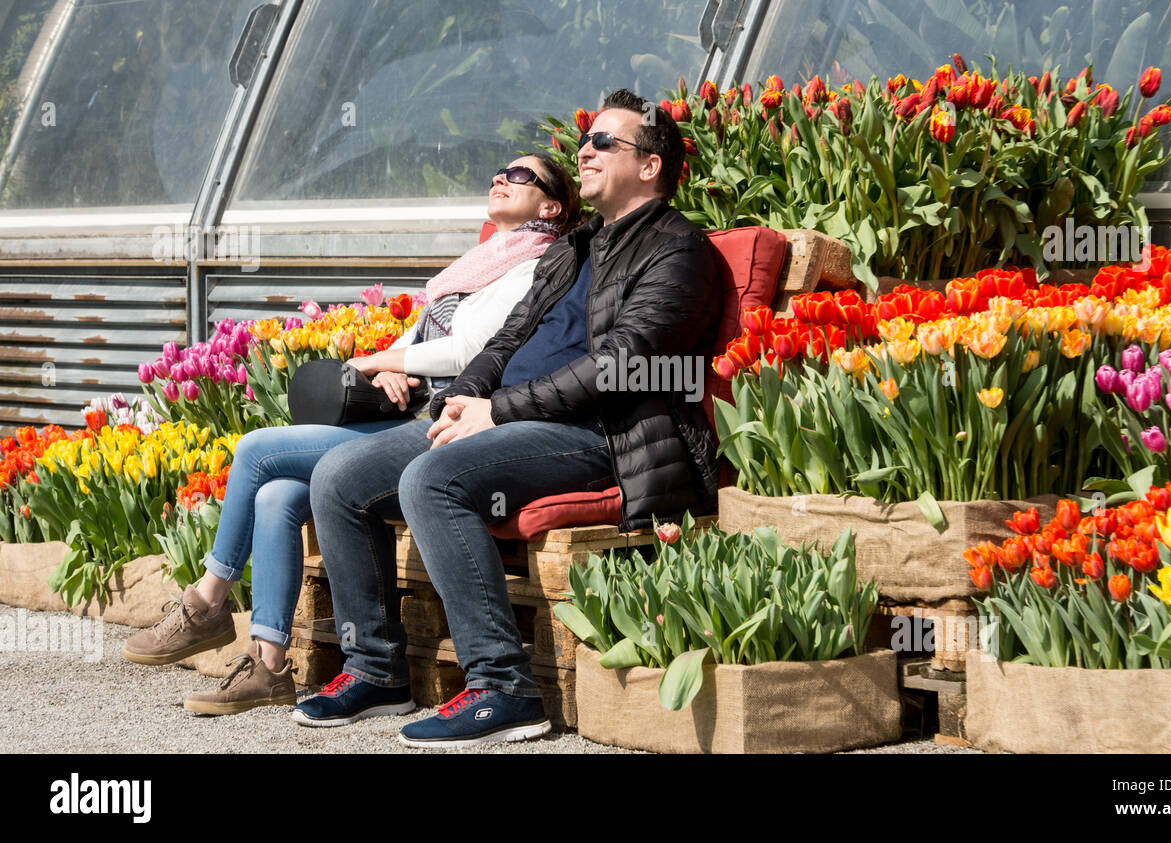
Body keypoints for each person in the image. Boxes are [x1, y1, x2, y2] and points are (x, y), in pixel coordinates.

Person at [296, 89, 722, 746]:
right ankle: (375, 668)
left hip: (598, 434)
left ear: (650, 165)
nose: (584, 149)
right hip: (500, 422)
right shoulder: (574, 247)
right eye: (585, 140)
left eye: (603, 142)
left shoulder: (678, 250)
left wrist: (500, 410)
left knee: (431, 479)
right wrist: (462, 399)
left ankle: (504, 686)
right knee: (338, 475)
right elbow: (506, 339)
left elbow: (622, 366)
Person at [120, 154, 582, 716]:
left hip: (442, 420)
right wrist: (393, 367)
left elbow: (472, 349)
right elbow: (426, 334)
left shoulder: (536, 264)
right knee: (275, 496)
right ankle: (268, 666)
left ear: (551, 205)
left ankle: (207, 602)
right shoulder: (484, 258)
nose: (499, 178)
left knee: (255, 450)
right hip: (409, 405)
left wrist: (372, 360)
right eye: (499, 171)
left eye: (518, 176)